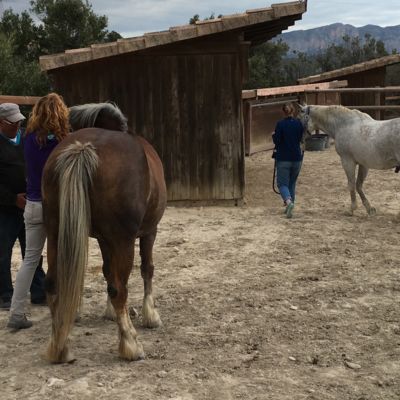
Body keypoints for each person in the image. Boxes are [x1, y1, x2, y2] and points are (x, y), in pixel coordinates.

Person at [7, 93, 70, 329]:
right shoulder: (64, 142)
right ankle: (66, 309)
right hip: (59, 208)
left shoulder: (28, 138)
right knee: (64, 259)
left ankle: (16, 313)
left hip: (33, 204)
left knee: (30, 261)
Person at [0, 103, 46, 311]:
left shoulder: (27, 138)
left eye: (19, 121)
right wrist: (12, 199)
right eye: (13, 122)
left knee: (33, 252)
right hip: (5, 209)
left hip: (29, 204)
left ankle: (39, 291)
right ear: (1, 122)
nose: (18, 125)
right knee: (3, 252)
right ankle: (5, 294)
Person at [272, 103, 304, 219]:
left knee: (282, 184)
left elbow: (277, 141)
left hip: (283, 158)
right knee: (292, 183)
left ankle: (289, 202)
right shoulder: (299, 124)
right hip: (297, 158)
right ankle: (290, 206)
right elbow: (300, 138)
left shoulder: (280, 124)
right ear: (293, 111)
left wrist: (273, 135)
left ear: (283, 112)